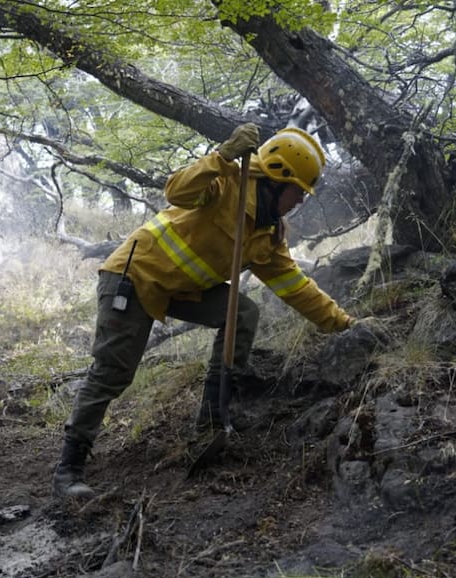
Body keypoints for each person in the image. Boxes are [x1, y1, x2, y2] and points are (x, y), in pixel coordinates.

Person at [53, 125, 361, 498]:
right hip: (134, 278)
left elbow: (296, 287)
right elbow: (176, 190)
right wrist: (223, 154)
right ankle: (69, 469)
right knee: (113, 373)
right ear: (277, 178)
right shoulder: (226, 181)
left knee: (242, 313)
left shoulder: (269, 234)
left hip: (181, 290)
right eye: (297, 191)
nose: (299, 201)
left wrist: (344, 325)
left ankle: (211, 423)